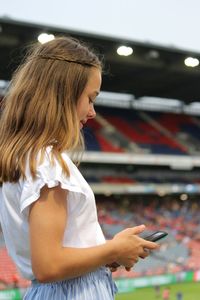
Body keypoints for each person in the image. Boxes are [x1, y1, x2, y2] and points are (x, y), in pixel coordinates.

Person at [0, 36, 158, 300]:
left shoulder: (28, 157)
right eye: (90, 98)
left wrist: (111, 251)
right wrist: (112, 249)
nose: (93, 112)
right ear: (63, 95)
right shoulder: (47, 162)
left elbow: (59, 255)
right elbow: (49, 265)